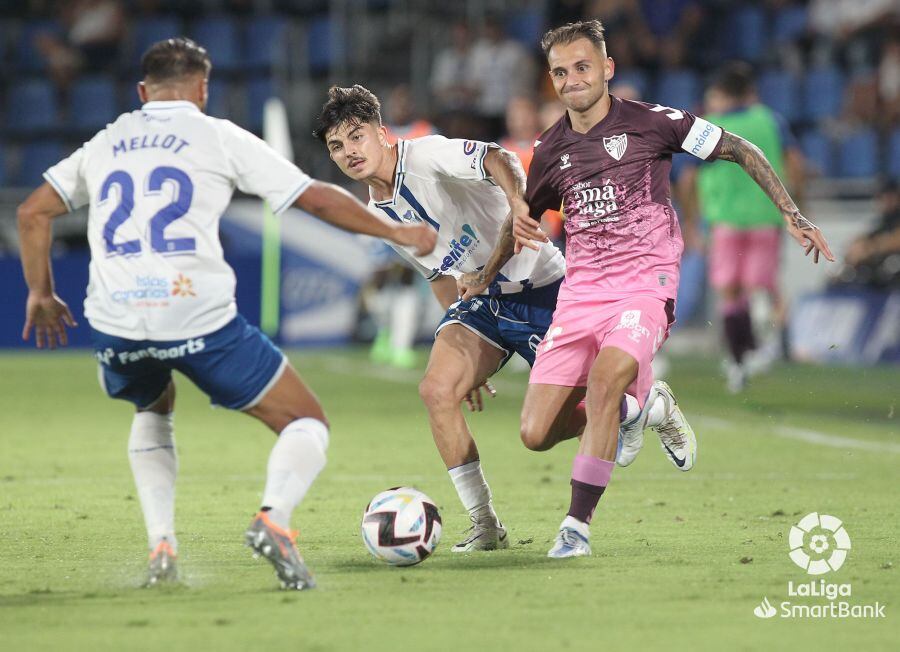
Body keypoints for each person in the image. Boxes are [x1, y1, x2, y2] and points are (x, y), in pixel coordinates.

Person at [16, 38, 436, 590]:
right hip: (194, 314)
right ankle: (273, 520)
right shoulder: (215, 134)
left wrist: (41, 294)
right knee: (306, 421)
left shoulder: (106, 141)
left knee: (151, 402)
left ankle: (162, 547)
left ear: (143, 92)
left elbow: (31, 212)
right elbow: (311, 196)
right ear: (203, 88)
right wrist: (394, 230)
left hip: (115, 320)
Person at [507, 20, 833, 558]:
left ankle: (575, 527)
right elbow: (524, 211)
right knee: (536, 432)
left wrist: (792, 212)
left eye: (583, 67)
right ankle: (647, 410)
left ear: (607, 69)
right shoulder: (549, 148)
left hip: (645, 280)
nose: (572, 80)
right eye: (560, 73)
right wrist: (499, 253)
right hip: (582, 291)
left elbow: (738, 146)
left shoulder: (653, 122)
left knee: (608, 380)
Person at [314, 85, 683, 553]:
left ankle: (643, 408)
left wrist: (516, 203)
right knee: (437, 389)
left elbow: (498, 158)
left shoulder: (426, 155)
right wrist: (462, 335)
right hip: (484, 302)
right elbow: (439, 274)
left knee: (547, 429)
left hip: (545, 290)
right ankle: (486, 525)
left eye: (356, 137)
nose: (350, 152)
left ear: (381, 134)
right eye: (337, 146)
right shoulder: (378, 212)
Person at [679, 62, 807, 392]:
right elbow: (796, 163)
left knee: (730, 291)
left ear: (722, 95)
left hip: (724, 222)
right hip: (766, 219)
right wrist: (796, 208)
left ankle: (739, 361)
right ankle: (767, 346)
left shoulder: (711, 127)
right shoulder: (770, 120)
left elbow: (688, 177)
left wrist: (691, 220)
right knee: (762, 285)